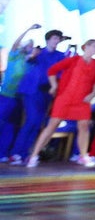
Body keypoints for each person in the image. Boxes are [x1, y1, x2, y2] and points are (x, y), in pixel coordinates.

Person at [26, 39, 95, 167]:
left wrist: (93, 94)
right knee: (52, 125)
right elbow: (52, 70)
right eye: (94, 46)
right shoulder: (73, 60)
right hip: (66, 97)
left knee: (84, 126)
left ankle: (83, 156)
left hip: (83, 100)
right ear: (86, 46)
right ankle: (34, 156)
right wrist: (54, 86)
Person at [10, 29, 69, 164]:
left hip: (47, 92)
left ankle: (26, 153)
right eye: (54, 38)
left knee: (38, 123)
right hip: (31, 91)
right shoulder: (38, 52)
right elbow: (27, 60)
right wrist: (31, 55)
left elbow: (62, 72)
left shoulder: (61, 56)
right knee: (32, 119)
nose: (56, 41)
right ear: (48, 39)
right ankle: (16, 152)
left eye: (58, 39)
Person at [0, 23, 40, 161]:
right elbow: (16, 43)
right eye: (28, 45)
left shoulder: (28, 63)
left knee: (10, 127)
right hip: (5, 95)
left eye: (31, 46)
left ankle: (3, 153)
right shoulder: (14, 56)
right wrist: (28, 29)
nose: (29, 47)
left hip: (17, 98)